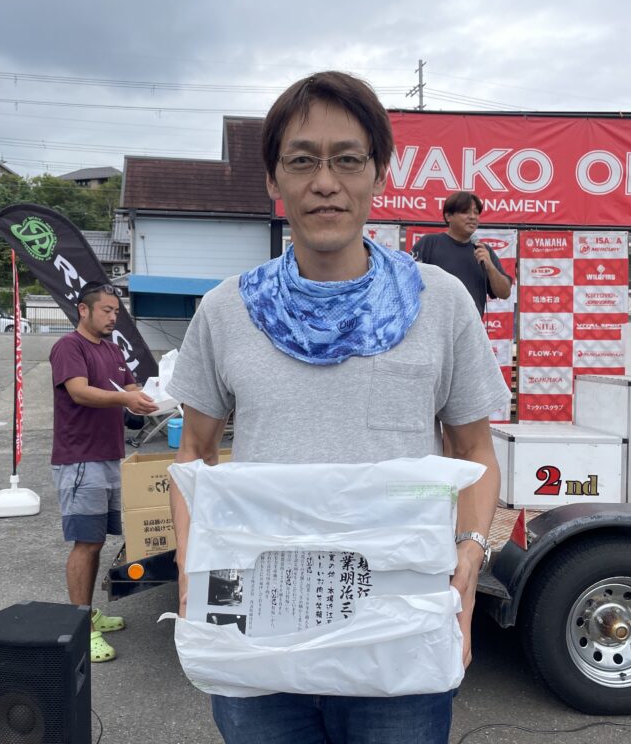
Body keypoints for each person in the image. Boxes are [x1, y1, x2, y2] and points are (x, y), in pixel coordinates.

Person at [167, 71, 510, 743]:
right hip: (259, 634)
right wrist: (192, 569)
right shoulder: (226, 310)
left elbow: (474, 451)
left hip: (397, 636)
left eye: (347, 160)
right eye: (302, 161)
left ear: (378, 173)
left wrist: (469, 556)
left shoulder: (440, 302)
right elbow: (194, 456)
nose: (326, 182)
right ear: (274, 179)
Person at [49, 282, 158, 661]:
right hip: (80, 459)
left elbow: (130, 386)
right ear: (84, 309)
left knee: (97, 541)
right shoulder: (69, 347)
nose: (114, 317)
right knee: (86, 542)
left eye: (116, 311)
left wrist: (153, 396)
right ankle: (82, 627)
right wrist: (127, 397)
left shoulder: (112, 349)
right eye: (107, 310)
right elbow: (79, 391)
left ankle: (88, 614)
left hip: (109, 456)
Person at [412, 191, 513, 316]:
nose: (472, 217)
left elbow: (504, 293)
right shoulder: (429, 243)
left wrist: (490, 267)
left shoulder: (483, 251)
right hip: (436, 323)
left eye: (476, 212)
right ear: (448, 216)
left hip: (471, 325)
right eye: (466, 212)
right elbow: (407, 281)